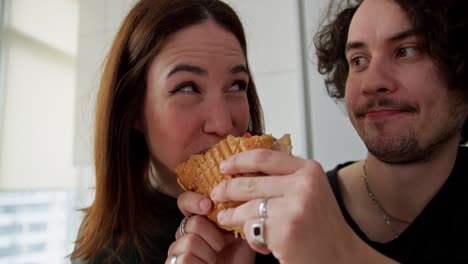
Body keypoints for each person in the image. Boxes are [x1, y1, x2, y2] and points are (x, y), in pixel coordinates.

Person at [171, 0, 468, 263]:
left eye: (406, 51)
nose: (372, 81)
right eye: (359, 60)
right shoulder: (276, 225)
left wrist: (342, 253)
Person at [69, 0, 265, 263]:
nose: (222, 125)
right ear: (133, 110)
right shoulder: (105, 250)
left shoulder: (286, 214)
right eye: (187, 87)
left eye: (236, 85)